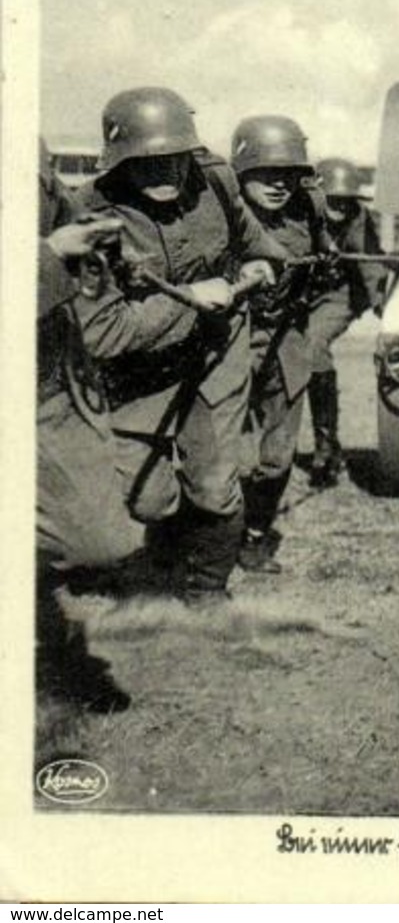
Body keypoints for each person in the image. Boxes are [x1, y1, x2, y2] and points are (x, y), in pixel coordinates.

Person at [74, 87, 289, 603]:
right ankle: (166, 555)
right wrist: (191, 297)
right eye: (146, 164)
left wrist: (262, 267)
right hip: (137, 368)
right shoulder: (91, 217)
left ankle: (207, 591)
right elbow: (104, 331)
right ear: (119, 162)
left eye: (173, 160)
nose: (165, 174)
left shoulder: (215, 181)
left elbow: (260, 246)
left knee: (214, 483)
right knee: (147, 500)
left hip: (216, 351)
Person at [37, 139, 162, 712]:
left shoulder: (28, 149)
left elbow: (59, 211)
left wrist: (91, 242)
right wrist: (49, 252)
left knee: (100, 542)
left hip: (50, 380)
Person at [232, 115, 333, 573]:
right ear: (241, 172)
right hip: (231, 339)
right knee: (231, 459)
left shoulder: (308, 208)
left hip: (286, 337)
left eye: (288, 174)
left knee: (277, 458)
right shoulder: (222, 213)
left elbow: (324, 256)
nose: (279, 185)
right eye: (266, 174)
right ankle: (209, 540)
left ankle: (255, 534)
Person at [304, 157, 389, 489]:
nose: (340, 206)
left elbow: (370, 267)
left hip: (338, 294)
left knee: (312, 345)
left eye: (346, 200)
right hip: (296, 294)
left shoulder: (358, 219)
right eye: (332, 199)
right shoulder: (297, 214)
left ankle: (326, 446)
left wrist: (387, 310)